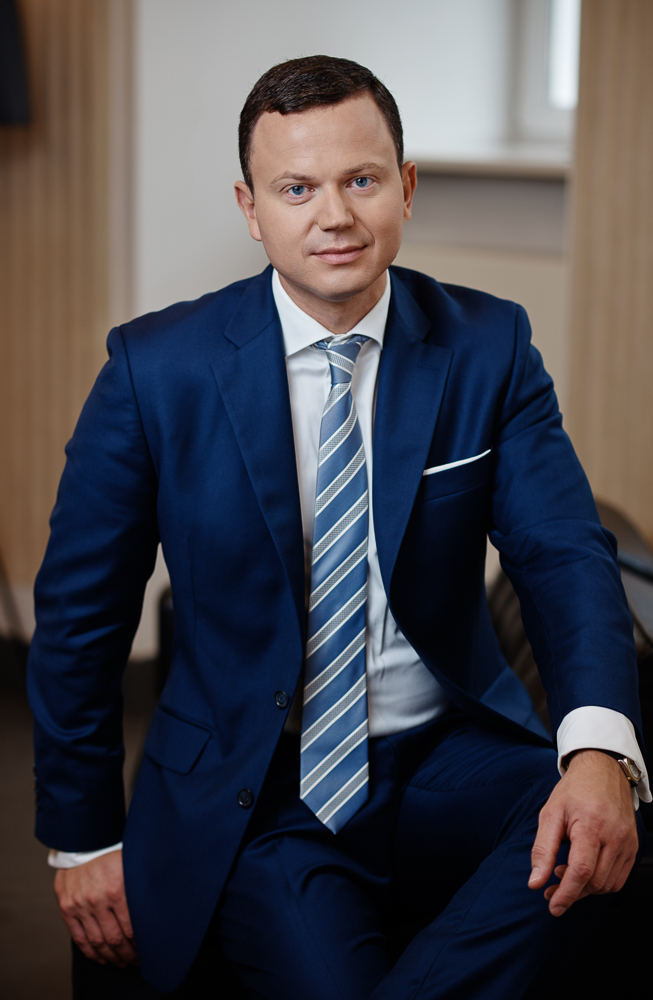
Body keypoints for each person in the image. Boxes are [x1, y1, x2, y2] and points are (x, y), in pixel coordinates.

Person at [28, 56, 649, 999]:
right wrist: (80, 839)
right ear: (250, 209)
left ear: (405, 188)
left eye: (361, 180)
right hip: (262, 789)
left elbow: (563, 551)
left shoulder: (489, 347)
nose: (334, 216)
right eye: (296, 189)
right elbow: (81, 616)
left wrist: (599, 749)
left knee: (609, 815)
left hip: (443, 755)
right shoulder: (154, 370)